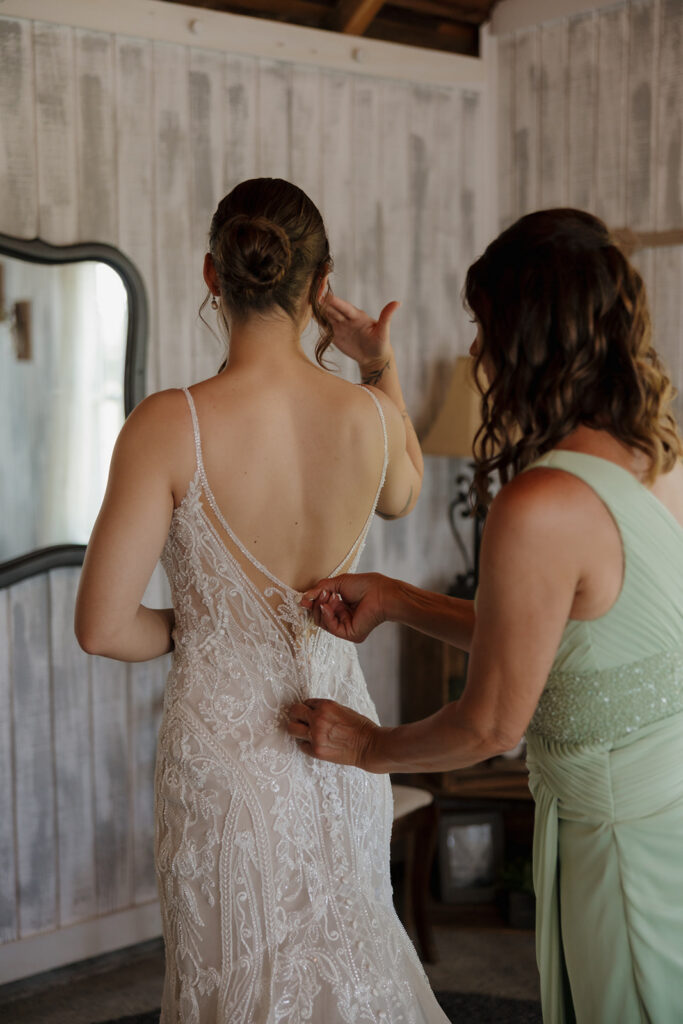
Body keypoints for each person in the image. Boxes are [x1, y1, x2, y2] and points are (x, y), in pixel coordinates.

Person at [288, 208, 683, 1024]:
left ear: (532, 333)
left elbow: (489, 724)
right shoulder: (661, 457)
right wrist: (396, 599)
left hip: (615, 855)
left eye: (484, 324)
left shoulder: (541, 502)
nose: (474, 350)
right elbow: (560, 641)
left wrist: (367, 745)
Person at [75, 177, 451, 1023]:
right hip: (343, 739)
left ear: (213, 275)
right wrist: (378, 364)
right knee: (349, 962)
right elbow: (404, 495)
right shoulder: (369, 415)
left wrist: (199, 625)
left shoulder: (169, 423)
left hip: (222, 762)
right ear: (321, 287)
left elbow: (102, 626)